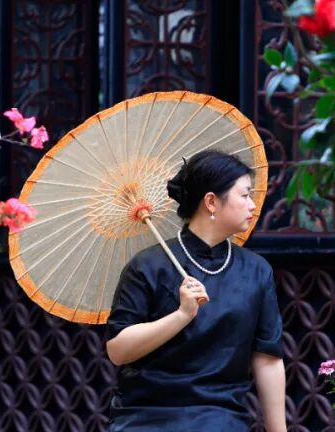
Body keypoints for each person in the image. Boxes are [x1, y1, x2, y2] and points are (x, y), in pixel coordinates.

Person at [104, 150, 286, 431]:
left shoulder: (256, 271)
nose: (252, 205)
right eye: (244, 195)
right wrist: (181, 315)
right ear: (211, 201)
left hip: (221, 417)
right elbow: (118, 350)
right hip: (146, 417)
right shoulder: (147, 266)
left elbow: (268, 359)